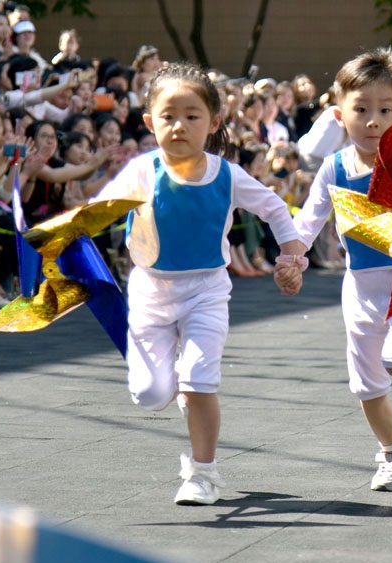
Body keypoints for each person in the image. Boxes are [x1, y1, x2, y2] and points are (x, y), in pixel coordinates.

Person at [90, 62, 307, 505]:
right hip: (150, 291)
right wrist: (55, 240)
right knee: (150, 396)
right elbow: (97, 210)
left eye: (192, 116)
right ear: (150, 122)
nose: (180, 126)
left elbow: (275, 209)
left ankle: (202, 473)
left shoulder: (227, 175)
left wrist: (291, 257)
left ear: (213, 122)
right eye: (168, 116)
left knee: (200, 381)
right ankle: (179, 382)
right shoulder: (141, 170)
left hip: (207, 290)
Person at [291, 46, 392, 493]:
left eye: (385, 109)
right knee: (366, 384)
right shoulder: (334, 168)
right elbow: (308, 221)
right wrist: (292, 257)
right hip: (361, 287)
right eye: (360, 109)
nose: (372, 120)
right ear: (340, 113)